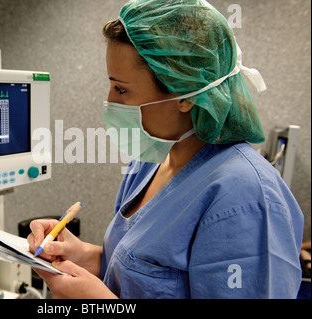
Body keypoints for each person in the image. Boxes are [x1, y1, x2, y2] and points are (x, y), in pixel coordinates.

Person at [27, 0, 304, 299]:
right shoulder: (151, 160)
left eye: (121, 89)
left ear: (185, 95)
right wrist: (80, 254)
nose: (110, 102)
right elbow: (149, 277)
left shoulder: (246, 198)